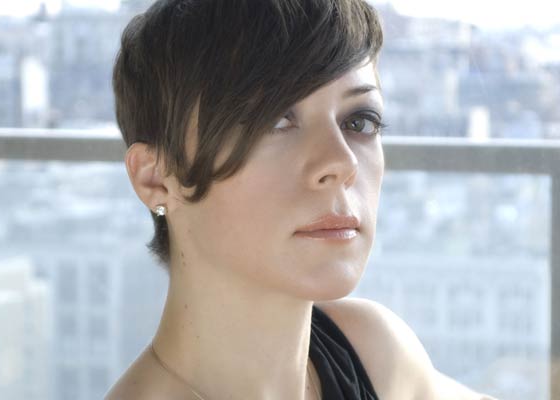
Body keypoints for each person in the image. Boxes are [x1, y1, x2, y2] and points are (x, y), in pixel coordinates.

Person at [106, 0, 496, 399]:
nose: (342, 162)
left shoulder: (375, 355)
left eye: (359, 121)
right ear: (155, 179)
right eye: (275, 120)